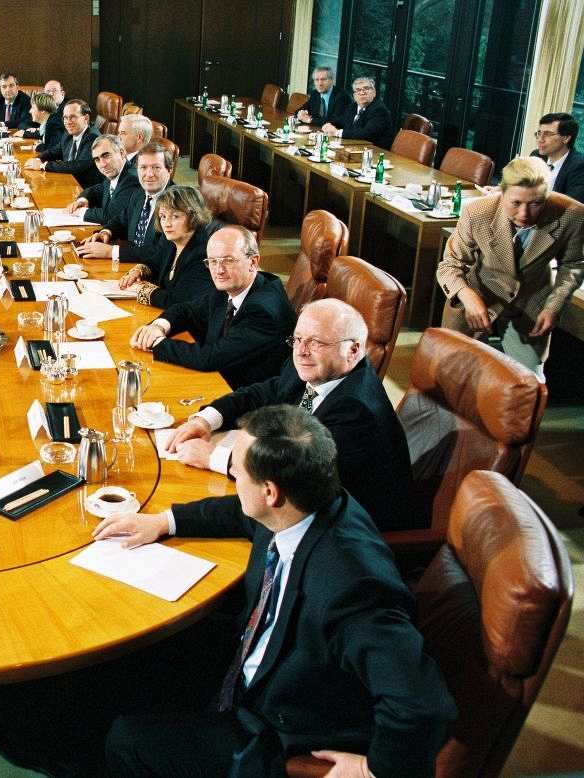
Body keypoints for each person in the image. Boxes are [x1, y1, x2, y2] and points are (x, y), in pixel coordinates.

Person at [95, 406, 455, 778]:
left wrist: (374, 770)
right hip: (254, 659)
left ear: (269, 491)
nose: (231, 474)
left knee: (127, 740)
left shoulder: (351, 589)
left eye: (237, 469)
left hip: (281, 724)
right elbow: (241, 512)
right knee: (134, 659)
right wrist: (164, 521)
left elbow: (423, 705)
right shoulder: (302, 501)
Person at [165, 298, 417, 531]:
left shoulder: (357, 412)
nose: (301, 351)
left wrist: (216, 458)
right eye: (297, 339)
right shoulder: (318, 368)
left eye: (315, 342)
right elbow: (265, 392)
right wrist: (206, 419)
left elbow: (292, 482)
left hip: (343, 532)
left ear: (353, 350)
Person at [436, 155, 584, 380]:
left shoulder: (573, 214)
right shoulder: (477, 212)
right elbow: (450, 264)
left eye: (536, 203)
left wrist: (554, 306)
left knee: (530, 383)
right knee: (450, 374)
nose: (524, 214)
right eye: (515, 203)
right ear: (501, 192)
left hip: (531, 301)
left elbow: (575, 263)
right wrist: (467, 295)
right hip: (478, 293)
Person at [130, 225, 295, 388]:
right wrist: (159, 326)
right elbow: (187, 310)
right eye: (213, 261)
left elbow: (211, 358)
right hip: (219, 381)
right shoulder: (231, 286)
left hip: (246, 397)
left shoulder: (263, 310)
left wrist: (157, 343)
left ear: (253, 262)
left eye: (228, 260)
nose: (219, 270)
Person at [118, 186, 219, 308]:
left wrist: (142, 290)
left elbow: (180, 300)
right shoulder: (172, 242)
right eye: (163, 216)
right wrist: (138, 271)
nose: (167, 223)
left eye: (175, 216)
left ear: (193, 216)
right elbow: (155, 263)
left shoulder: (203, 254)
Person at [75, 142, 175, 262]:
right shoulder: (139, 193)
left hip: (153, 273)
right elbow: (123, 219)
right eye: (143, 167)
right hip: (129, 266)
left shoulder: (176, 204)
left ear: (169, 170)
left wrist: (111, 252)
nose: (149, 174)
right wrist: (106, 232)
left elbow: (160, 252)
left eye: (156, 167)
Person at [24, 98, 104, 188]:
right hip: (69, 183)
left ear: (86, 118)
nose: (68, 122)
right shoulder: (68, 135)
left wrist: (43, 165)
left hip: (86, 189)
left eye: (73, 117)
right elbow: (53, 152)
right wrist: (37, 159)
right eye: (65, 118)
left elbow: (77, 165)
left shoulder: (93, 137)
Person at [64, 134, 139, 222]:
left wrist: (81, 212)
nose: (102, 164)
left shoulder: (132, 178)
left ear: (121, 153)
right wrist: (83, 199)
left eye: (106, 156)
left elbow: (111, 215)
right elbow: (98, 189)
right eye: (97, 160)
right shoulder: (115, 172)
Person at [530, 112, 584, 204]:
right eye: (539, 133)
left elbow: (572, 206)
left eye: (547, 134)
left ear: (566, 138)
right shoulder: (536, 155)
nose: (540, 139)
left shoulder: (580, 166)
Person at [322, 76, 392, 149]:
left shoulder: (379, 110)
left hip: (375, 152)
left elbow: (366, 133)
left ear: (374, 93)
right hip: (354, 148)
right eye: (358, 90)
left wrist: (337, 132)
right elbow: (341, 120)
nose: (362, 92)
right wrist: (329, 124)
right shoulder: (353, 106)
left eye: (366, 89)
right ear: (354, 95)